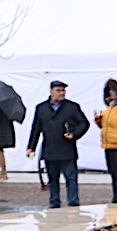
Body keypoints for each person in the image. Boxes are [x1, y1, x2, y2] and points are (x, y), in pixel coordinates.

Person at [26, 79, 89, 208]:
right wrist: (31, 147)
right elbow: (36, 129)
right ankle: (54, 203)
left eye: (63, 90)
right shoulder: (41, 108)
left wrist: (74, 134)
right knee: (52, 180)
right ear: (51, 92)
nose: (62, 93)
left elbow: (84, 123)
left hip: (67, 150)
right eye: (58, 90)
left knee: (71, 179)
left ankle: (73, 203)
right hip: (50, 150)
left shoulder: (72, 107)